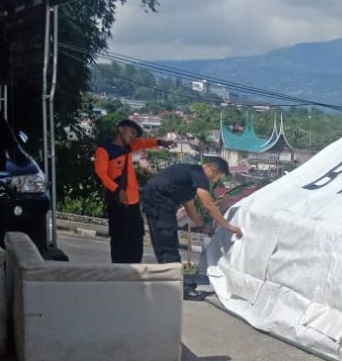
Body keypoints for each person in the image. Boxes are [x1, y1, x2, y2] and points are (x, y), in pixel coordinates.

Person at [141, 157, 242, 297]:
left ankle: (172, 283)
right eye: (216, 178)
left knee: (166, 243)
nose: (213, 181)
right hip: (159, 205)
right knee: (167, 247)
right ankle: (177, 289)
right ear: (212, 170)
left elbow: (189, 205)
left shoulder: (189, 175)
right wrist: (229, 226)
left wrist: (202, 226)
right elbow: (208, 205)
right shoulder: (199, 175)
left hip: (157, 204)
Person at [94, 119, 169, 263]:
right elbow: (100, 173)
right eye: (131, 132)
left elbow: (144, 143)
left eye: (135, 134)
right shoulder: (104, 150)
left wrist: (161, 142)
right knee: (119, 239)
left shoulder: (129, 147)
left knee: (136, 238)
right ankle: (120, 271)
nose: (133, 137)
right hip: (117, 203)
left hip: (133, 202)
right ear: (121, 129)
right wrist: (117, 190)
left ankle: (134, 270)